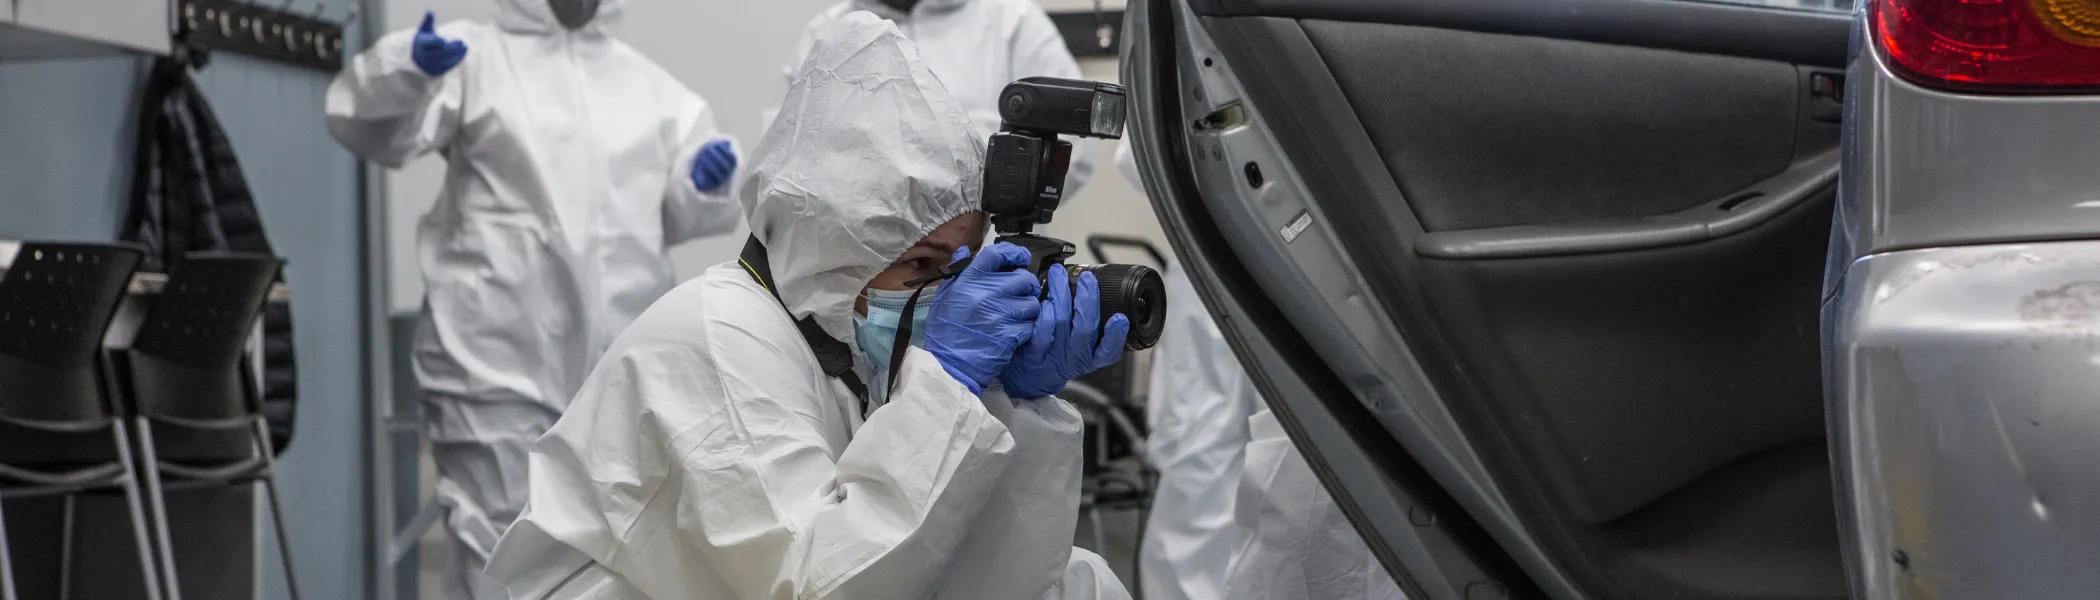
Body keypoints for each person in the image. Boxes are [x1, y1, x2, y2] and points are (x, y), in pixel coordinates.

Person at [484, 13, 1135, 599]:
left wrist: (1014, 406)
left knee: (1087, 585)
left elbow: (966, 565)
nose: (946, 293)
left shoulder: (844, 345)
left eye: (963, 262)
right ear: (833, 255)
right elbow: (820, 585)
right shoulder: (721, 338)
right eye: (922, 265)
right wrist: (949, 387)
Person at [324, 1, 742, 598]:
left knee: (613, 552)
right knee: (493, 543)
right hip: (491, 360)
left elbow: (680, 216)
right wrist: (408, 72)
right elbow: (364, 124)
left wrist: (701, 185)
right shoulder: (475, 60)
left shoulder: (654, 93)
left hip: (614, 369)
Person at [1114, 144, 1406, 599]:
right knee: (1199, 457)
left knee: (1321, 461)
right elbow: (1139, 154)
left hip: (1331, 262)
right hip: (1213, 255)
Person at [764, 0, 1095, 198]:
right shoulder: (826, 32)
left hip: (984, 263)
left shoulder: (1010, 20)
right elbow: (784, 163)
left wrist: (974, 192)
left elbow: (1073, 147)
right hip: (855, 275)